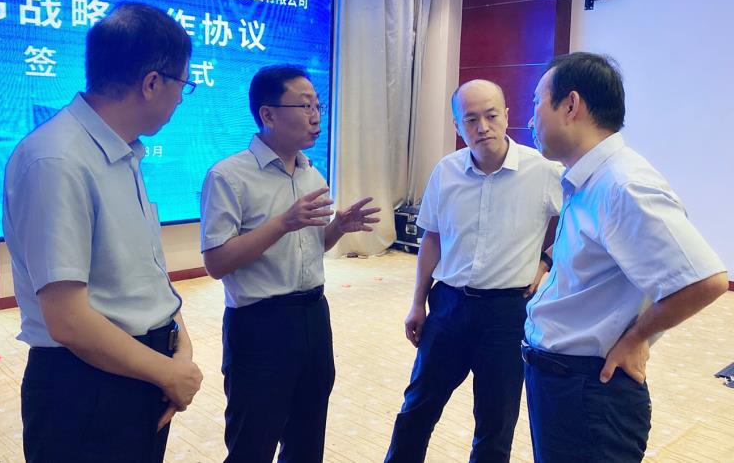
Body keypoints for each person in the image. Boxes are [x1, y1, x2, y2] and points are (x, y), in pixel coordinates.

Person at [3, 2, 203, 462]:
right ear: (152, 83)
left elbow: (140, 273)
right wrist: (166, 373)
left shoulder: (123, 152)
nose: (181, 99)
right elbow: (68, 320)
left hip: (138, 371)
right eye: (183, 85)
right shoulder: (58, 159)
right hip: (86, 386)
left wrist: (177, 339)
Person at [525, 51, 729, 462]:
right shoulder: (589, 178)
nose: (531, 120)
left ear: (571, 105)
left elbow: (705, 280)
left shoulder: (622, 184)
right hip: (564, 383)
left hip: (590, 392)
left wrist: (636, 338)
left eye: (536, 103)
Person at [200, 64, 380, 463]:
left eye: (318, 105)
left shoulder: (312, 173)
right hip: (260, 325)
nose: (316, 116)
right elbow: (216, 262)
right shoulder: (228, 176)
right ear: (268, 114)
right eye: (305, 106)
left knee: (307, 439)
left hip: (314, 317)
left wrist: (338, 228)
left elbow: (312, 246)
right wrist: (283, 222)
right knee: (252, 443)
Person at [385, 80, 563, 463]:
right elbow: (432, 240)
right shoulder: (446, 171)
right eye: (470, 119)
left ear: (507, 116)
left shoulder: (543, 171)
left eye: (491, 115)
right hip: (449, 307)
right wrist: (417, 303)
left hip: (507, 314)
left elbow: (581, 226)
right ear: (457, 125)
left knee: (495, 424)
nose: (483, 127)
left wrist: (547, 260)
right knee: (416, 408)